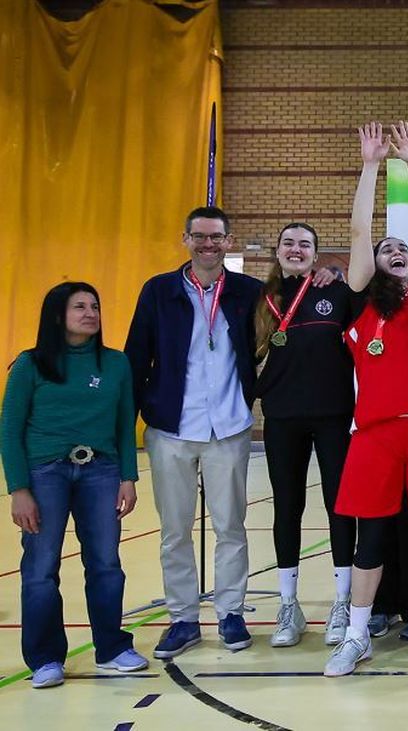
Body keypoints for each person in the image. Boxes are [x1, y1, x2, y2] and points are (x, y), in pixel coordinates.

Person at [323, 121, 408, 677]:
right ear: (376, 265)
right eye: (389, 248)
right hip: (375, 434)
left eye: (402, 248)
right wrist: (372, 165)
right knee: (371, 535)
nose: (397, 250)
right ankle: (356, 636)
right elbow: (358, 233)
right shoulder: (361, 305)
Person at [125, 204, 263, 658]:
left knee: (231, 526)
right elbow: (135, 357)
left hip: (229, 427)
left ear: (228, 240)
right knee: (174, 530)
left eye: (216, 237)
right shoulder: (158, 290)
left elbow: (292, 306)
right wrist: (133, 423)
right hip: (171, 430)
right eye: (199, 236)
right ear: (185, 239)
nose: (208, 244)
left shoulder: (248, 292)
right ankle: (183, 618)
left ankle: (230, 613)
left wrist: (324, 277)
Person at [3, 283, 148, 689]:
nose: (90, 312)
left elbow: (124, 424)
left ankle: (112, 648)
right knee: (41, 568)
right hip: (44, 473)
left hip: (101, 472)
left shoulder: (116, 364)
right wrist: (19, 489)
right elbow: (10, 430)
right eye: (79, 306)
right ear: (56, 315)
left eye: (95, 306)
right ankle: (46, 658)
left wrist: (128, 477)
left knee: (105, 563)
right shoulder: (30, 365)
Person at [253, 221, 359, 648]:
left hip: (334, 415)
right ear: (276, 252)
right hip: (282, 417)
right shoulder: (259, 300)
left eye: (305, 245)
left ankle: (343, 602)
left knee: (340, 507)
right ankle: (288, 605)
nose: (296, 250)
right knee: (287, 508)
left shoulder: (337, 293)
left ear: (317, 255)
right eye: (288, 243)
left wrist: (337, 272)